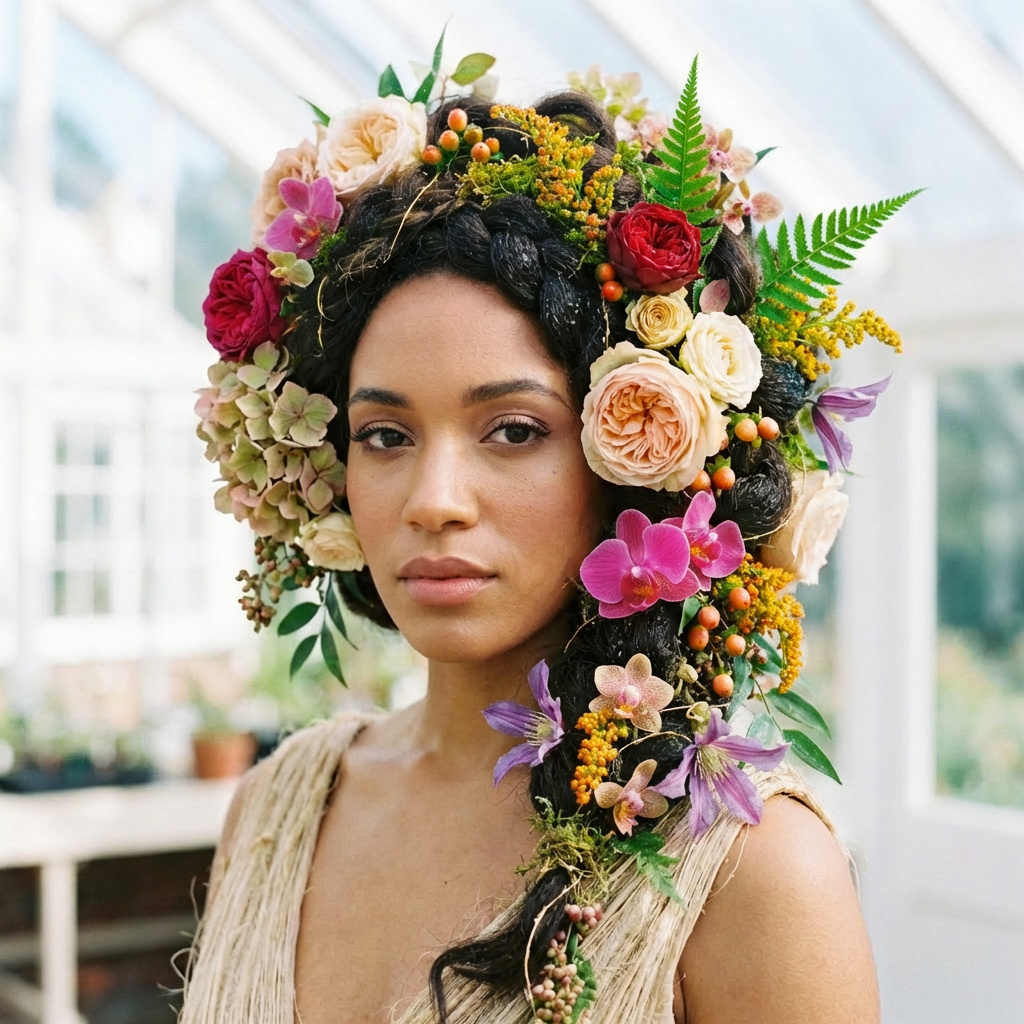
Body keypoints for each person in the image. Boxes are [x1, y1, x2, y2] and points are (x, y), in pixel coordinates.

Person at [185, 54, 912, 1024]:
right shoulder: (273, 807)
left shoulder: (750, 872)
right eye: (386, 435)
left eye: (513, 429)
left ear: (632, 465)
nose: (433, 499)